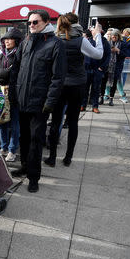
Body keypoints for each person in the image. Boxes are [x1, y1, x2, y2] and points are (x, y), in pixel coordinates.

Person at [9, 9, 66, 193]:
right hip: (23, 100)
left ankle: (34, 176)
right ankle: (25, 166)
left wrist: (49, 102)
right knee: (23, 138)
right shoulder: (26, 41)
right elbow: (16, 69)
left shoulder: (55, 44)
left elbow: (58, 78)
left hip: (40, 104)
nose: (32, 25)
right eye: (30, 22)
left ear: (46, 22)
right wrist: (13, 93)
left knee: (35, 140)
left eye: (35, 22)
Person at [45, 14, 103, 168]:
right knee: (73, 122)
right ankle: (68, 157)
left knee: (56, 121)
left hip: (59, 85)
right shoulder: (80, 40)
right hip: (77, 84)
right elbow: (98, 54)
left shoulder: (55, 39)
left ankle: (51, 157)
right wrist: (97, 36)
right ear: (77, 23)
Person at [0, 28, 24, 162]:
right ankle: (4, 147)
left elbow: (9, 73)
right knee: (2, 122)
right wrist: (2, 71)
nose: (6, 41)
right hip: (1, 92)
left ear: (17, 40)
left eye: (10, 38)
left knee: (14, 122)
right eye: (5, 39)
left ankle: (12, 150)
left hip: (14, 93)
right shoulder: (1, 55)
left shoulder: (19, 55)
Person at [82, 27, 111, 113]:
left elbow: (108, 56)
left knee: (96, 89)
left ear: (99, 31)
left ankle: (95, 106)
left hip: (97, 70)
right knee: (85, 88)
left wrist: (102, 67)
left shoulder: (105, 42)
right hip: (87, 69)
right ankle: (83, 105)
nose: (92, 31)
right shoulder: (87, 40)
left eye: (94, 29)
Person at [106, 29, 126, 106]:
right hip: (108, 66)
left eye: (115, 37)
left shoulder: (122, 44)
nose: (113, 38)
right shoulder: (108, 43)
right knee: (106, 81)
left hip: (117, 66)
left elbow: (125, 55)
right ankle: (105, 95)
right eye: (112, 37)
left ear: (118, 36)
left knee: (114, 82)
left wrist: (118, 50)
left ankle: (111, 98)